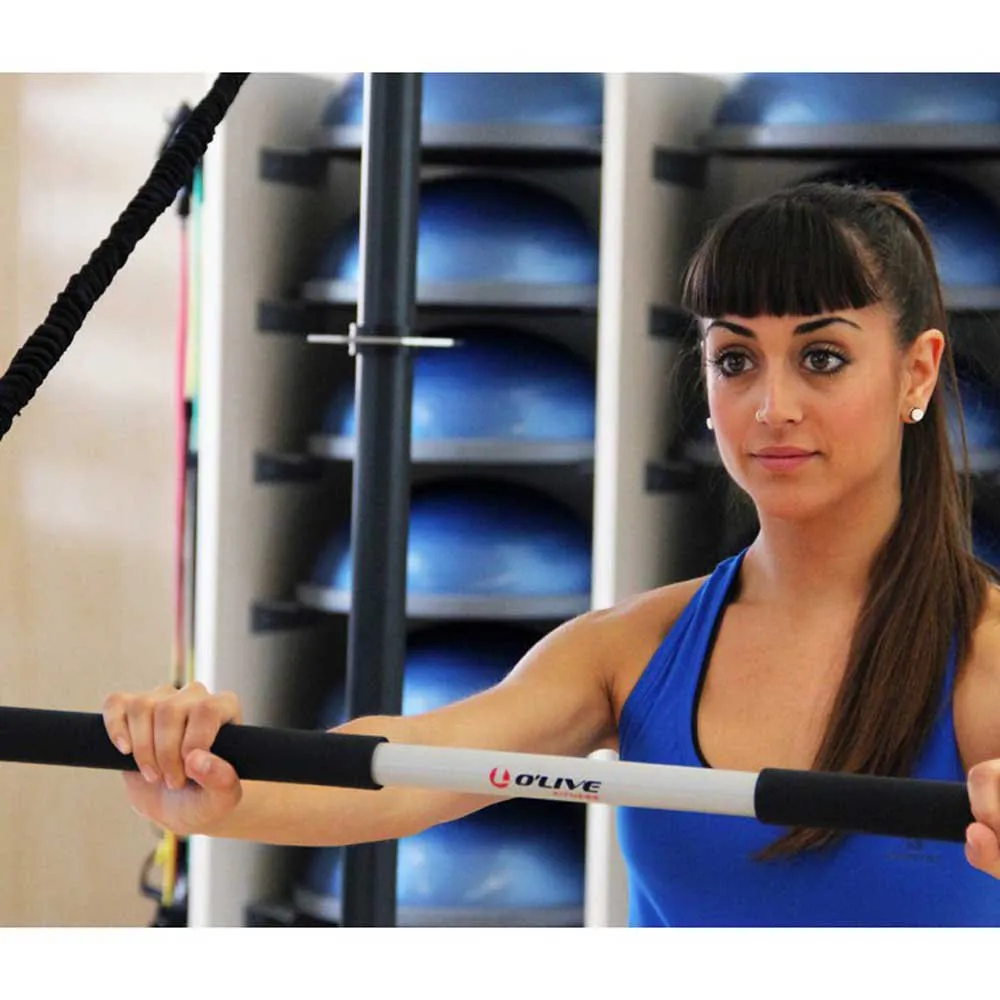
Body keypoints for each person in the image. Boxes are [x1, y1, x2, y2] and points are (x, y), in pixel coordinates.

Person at [103, 180, 1000, 926]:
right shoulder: (631, 650)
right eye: (735, 360)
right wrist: (216, 783)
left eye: (823, 358)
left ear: (917, 371)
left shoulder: (984, 652)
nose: (773, 407)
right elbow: (409, 765)